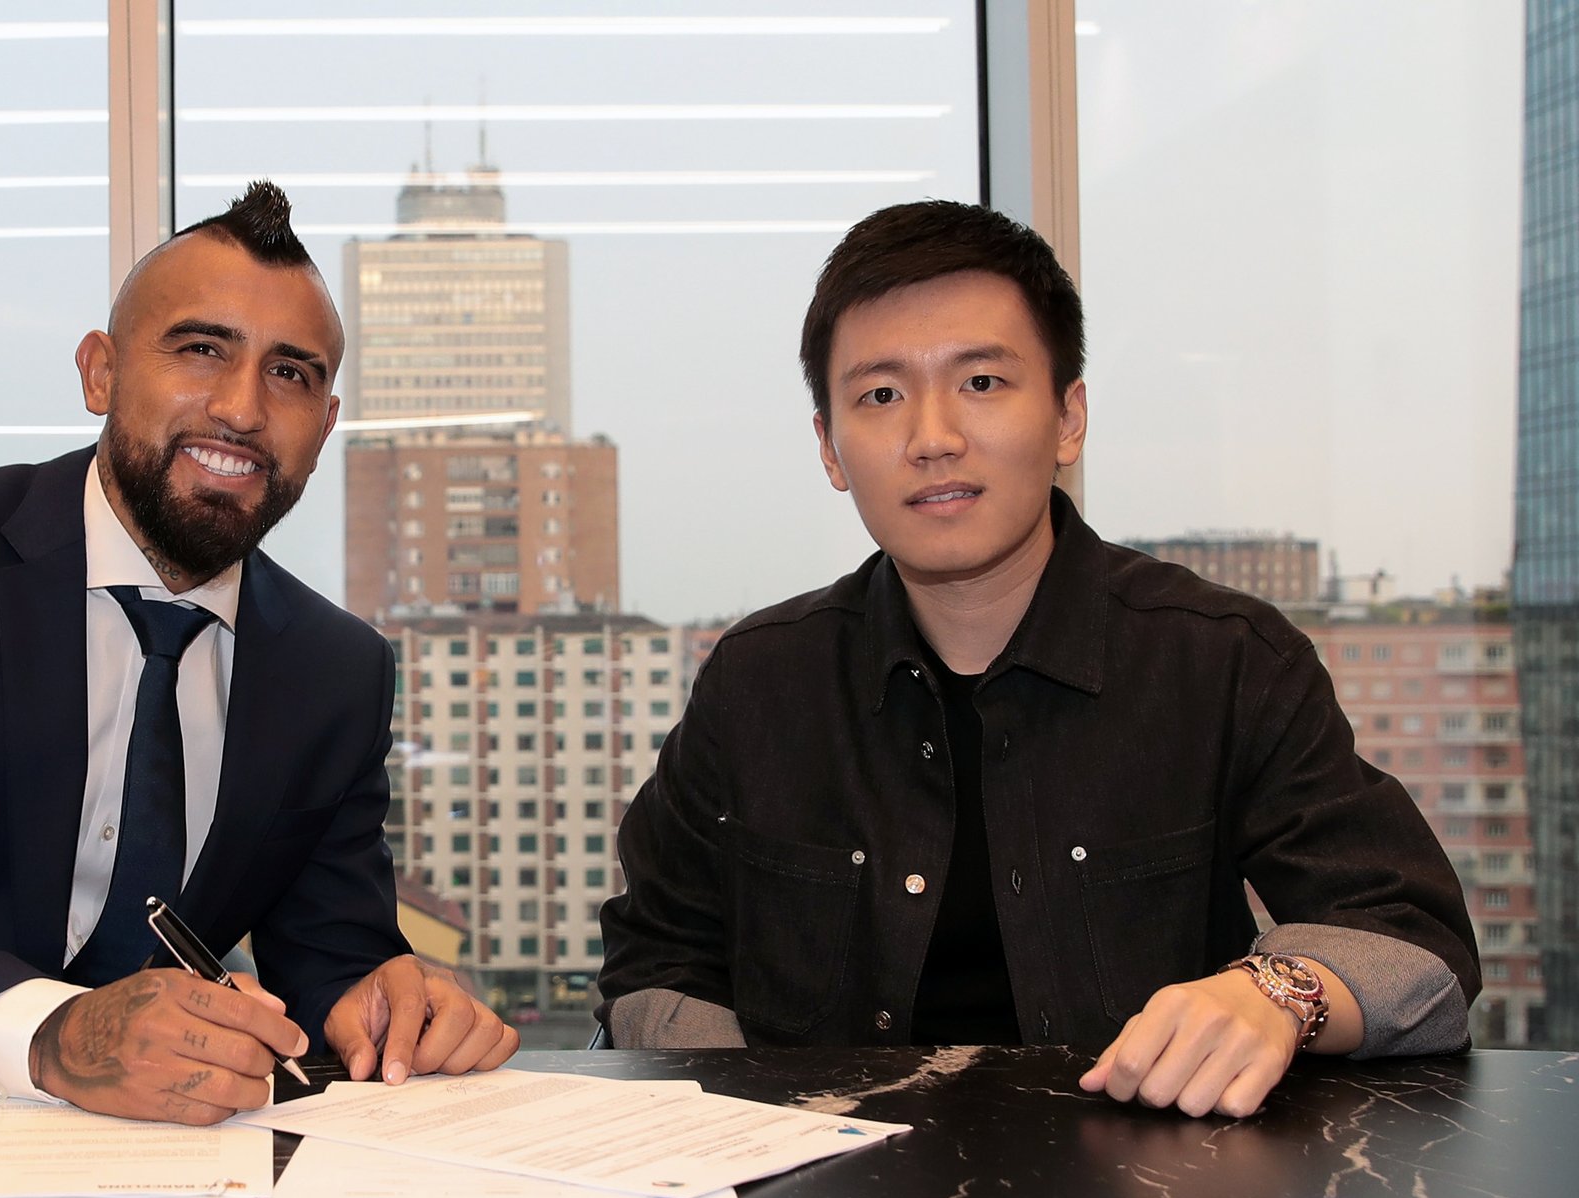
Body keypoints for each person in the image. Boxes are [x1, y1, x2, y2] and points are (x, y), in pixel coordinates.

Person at [597, 200, 1478, 1118]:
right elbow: (656, 960)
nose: (932, 436)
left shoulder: (1222, 660)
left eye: (981, 381)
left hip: (1147, 1188)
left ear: (1068, 418)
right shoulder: (758, 684)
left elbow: (1417, 943)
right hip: (813, 1186)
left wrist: (1276, 993)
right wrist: (737, 1114)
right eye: (881, 395)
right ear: (830, 448)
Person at [0, 182, 517, 1124]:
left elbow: (331, 956)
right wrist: (53, 1035)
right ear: (100, 373)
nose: (242, 408)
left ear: (324, 426)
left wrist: (386, 1004)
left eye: (291, 374)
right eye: (201, 349)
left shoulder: (334, 670)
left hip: (176, 1163)